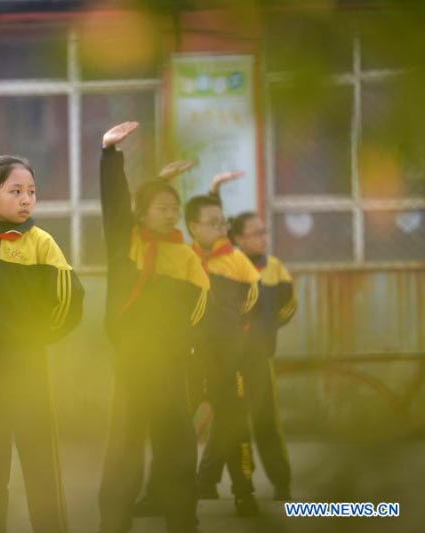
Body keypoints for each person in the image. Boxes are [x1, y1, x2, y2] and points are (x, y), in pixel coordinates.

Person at [0, 81, 84, 533]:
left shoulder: (41, 244)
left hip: (25, 364)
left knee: (40, 463)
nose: (26, 200)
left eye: (31, 192)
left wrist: (34, 338)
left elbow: (69, 302)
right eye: (16, 191)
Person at [96, 122, 208, 533]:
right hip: (132, 364)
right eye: (162, 208)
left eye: (174, 208)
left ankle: (183, 521)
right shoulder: (126, 244)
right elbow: (117, 204)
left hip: (172, 366)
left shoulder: (184, 255)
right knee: (124, 448)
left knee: (177, 449)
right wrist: (111, 154)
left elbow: (199, 306)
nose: (171, 213)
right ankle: (114, 523)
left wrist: (184, 345)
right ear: (143, 214)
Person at [196, 173, 297, 501]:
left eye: (264, 231)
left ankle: (280, 481)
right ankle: (225, 484)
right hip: (228, 357)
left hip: (258, 359)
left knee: (266, 422)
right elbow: (216, 228)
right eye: (255, 233)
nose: (263, 238)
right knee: (229, 423)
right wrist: (214, 192)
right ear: (237, 238)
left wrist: (264, 332)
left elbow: (288, 307)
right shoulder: (227, 265)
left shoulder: (275, 268)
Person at [184, 191, 261, 516]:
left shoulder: (236, 260)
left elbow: (253, 301)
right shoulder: (181, 260)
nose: (221, 228)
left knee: (234, 427)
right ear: (192, 227)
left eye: (223, 222)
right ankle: (166, 490)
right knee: (174, 425)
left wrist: (234, 335)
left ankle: (244, 492)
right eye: (212, 223)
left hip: (228, 360)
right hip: (189, 358)